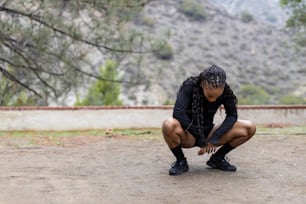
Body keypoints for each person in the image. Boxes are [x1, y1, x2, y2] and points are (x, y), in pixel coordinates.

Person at [162, 64, 256, 176]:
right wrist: (199, 137)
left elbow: (232, 115)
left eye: (217, 96)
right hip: (189, 134)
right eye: (210, 95)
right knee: (168, 124)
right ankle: (181, 161)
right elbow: (178, 113)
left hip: (210, 132)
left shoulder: (226, 91)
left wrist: (215, 137)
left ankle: (218, 158)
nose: (213, 100)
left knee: (249, 127)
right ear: (202, 84)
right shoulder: (190, 86)